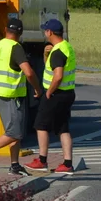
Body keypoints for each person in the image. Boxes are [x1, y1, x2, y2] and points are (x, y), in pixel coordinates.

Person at [0, 18, 43, 175]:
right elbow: (29, 72)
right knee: (15, 133)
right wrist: (38, 89)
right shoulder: (16, 48)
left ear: (5, 29)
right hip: (12, 94)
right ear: (21, 33)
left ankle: (15, 165)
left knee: (12, 131)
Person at [28, 18, 77, 173]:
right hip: (68, 93)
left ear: (50, 32)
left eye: (45, 30)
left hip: (55, 94)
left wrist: (48, 92)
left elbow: (58, 76)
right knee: (63, 128)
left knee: (40, 125)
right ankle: (67, 164)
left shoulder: (57, 52)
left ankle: (42, 160)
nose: (45, 33)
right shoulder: (66, 47)